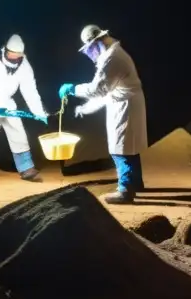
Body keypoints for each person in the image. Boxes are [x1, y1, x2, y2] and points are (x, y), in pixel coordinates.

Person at [59, 24, 147, 204]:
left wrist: (72, 89)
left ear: (97, 42)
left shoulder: (112, 58)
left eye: (90, 48)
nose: (91, 53)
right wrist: (85, 108)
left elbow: (98, 89)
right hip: (124, 102)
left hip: (125, 106)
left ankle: (126, 190)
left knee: (120, 148)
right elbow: (106, 93)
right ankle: (135, 182)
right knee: (129, 146)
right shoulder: (112, 54)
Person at [0, 34, 48, 183]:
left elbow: (30, 90)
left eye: (17, 56)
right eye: (11, 55)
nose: (14, 58)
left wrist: (39, 112)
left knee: (18, 132)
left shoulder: (24, 66)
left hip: (8, 101)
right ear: (5, 51)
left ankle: (26, 168)